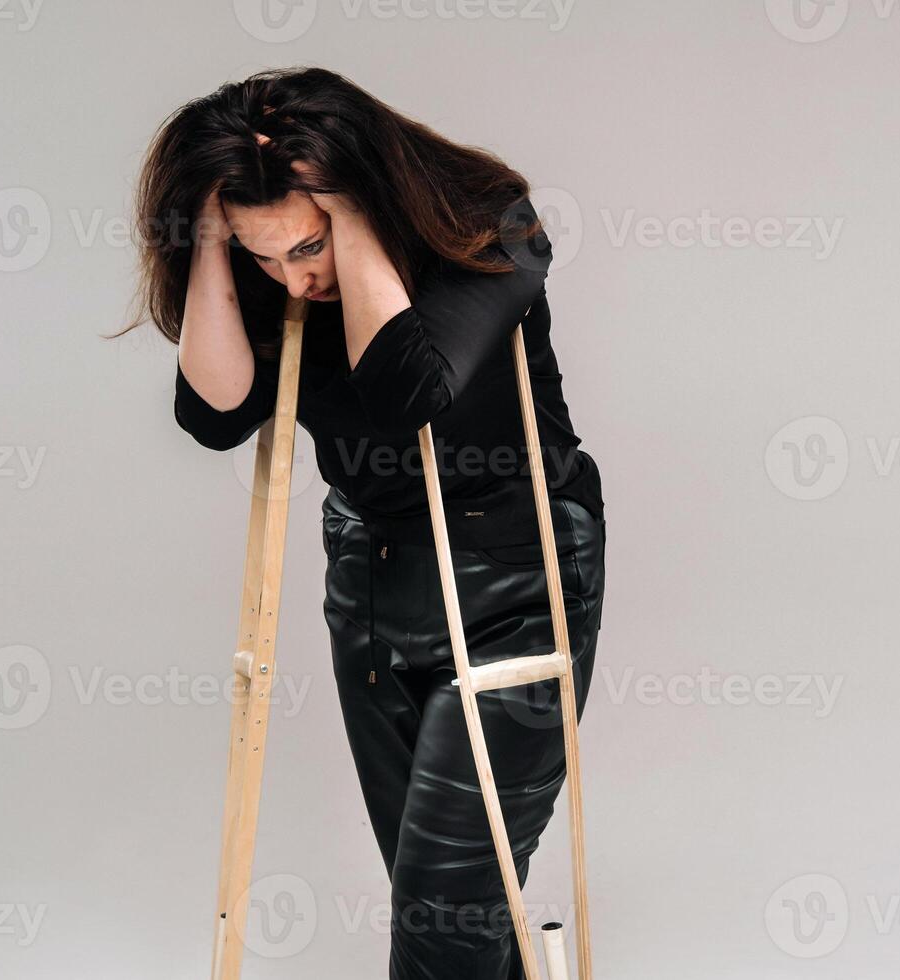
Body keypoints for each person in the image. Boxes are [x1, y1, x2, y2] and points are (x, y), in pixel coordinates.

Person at [115, 65, 607, 980]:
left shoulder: (492, 221)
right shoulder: (274, 277)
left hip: (515, 576)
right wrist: (217, 244)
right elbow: (214, 414)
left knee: (448, 902)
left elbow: (405, 389)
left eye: (307, 248)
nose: (295, 283)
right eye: (266, 258)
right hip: (374, 589)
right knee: (453, 907)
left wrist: (353, 218)